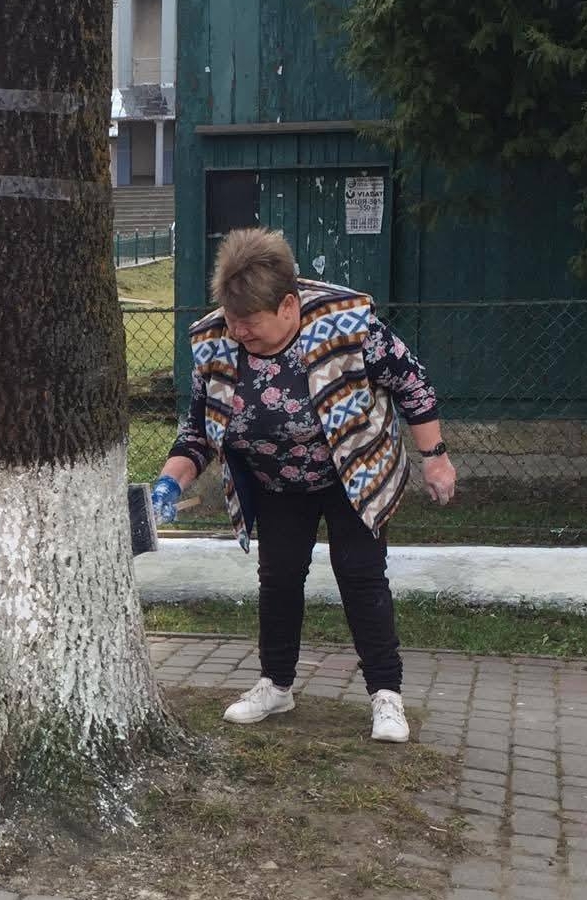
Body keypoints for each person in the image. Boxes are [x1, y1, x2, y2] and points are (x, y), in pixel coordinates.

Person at [150, 228, 456, 742]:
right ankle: (276, 685)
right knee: (279, 578)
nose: (239, 332)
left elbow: (412, 384)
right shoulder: (217, 345)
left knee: (360, 574)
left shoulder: (349, 327)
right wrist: (168, 483)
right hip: (275, 480)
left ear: (289, 306)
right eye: (232, 321)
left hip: (352, 471)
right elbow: (200, 428)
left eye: (250, 323)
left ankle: (386, 696)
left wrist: (436, 458)